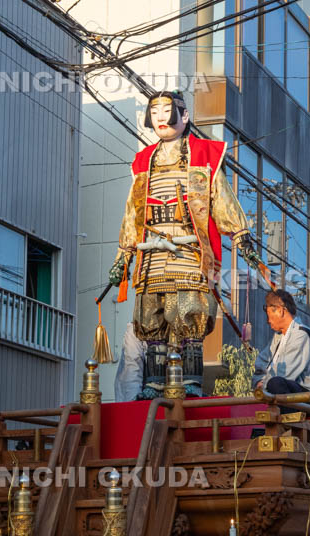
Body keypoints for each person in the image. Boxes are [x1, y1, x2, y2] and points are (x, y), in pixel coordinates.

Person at [109, 90, 251, 398]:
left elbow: (220, 200)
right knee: (154, 320)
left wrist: (241, 234)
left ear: (184, 116)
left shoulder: (204, 157)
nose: (160, 117)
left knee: (188, 318)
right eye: (155, 112)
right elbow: (132, 211)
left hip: (189, 252)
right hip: (151, 254)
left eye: (167, 111)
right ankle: (154, 382)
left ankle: (190, 383)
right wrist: (124, 254)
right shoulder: (143, 162)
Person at [251, 289, 310, 403]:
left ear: (281, 311)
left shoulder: (302, 334)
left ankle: (288, 416)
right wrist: (258, 382)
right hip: (284, 391)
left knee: (276, 383)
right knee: (273, 385)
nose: (268, 320)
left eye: (269, 315)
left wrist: (263, 386)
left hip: (309, 395)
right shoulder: (277, 338)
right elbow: (261, 364)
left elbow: (286, 373)